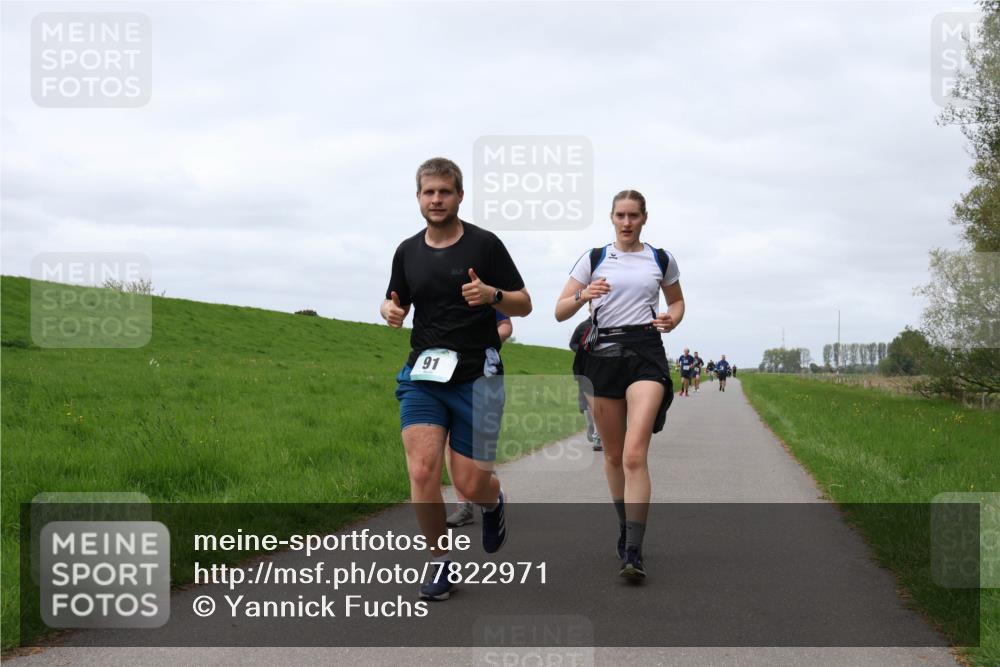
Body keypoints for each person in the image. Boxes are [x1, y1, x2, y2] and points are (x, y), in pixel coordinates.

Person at [382, 157, 532, 600]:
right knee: (422, 469)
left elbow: (524, 303)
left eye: (444, 191)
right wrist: (389, 310)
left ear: (460, 196)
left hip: (476, 375)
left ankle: (493, 501)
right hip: (423, 374)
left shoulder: (485, 245)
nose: (436, 199)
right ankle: (440, 562)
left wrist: (492, 295)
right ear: (417, 197)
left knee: (469, 484)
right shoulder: (407, 251)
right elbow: (395, 301)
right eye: (428, 192)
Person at [555, 189, 685, 580]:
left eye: (633, 215)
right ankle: (624, 527)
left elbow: (677, 302)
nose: (627, 222)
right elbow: (560, 310)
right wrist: (584, 294)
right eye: (620, 215)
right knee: (612, 456)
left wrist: (672, 318)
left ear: (644, 218)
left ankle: (633, 550)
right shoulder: (594, 258)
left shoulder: (660, 259)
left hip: (645, 352)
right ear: (612, 218)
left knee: (633, 455)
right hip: (603, 354)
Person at [446, 310, 513, 528]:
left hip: (481, 372)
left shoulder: (483, 291)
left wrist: (482, 339)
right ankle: (464, 506)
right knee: (450, 440)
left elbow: (506, 325)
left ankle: (486, 488)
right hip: (444, 371)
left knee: (480, 439)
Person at [569, 318, 602, 452]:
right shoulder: (583, 326)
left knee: (600, 403)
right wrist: (584, 349)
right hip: (585, 369)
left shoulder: (610, 322)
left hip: (604, 368)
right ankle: (591, 426)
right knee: (587, 404)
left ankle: (597, 437)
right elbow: (572, 344)